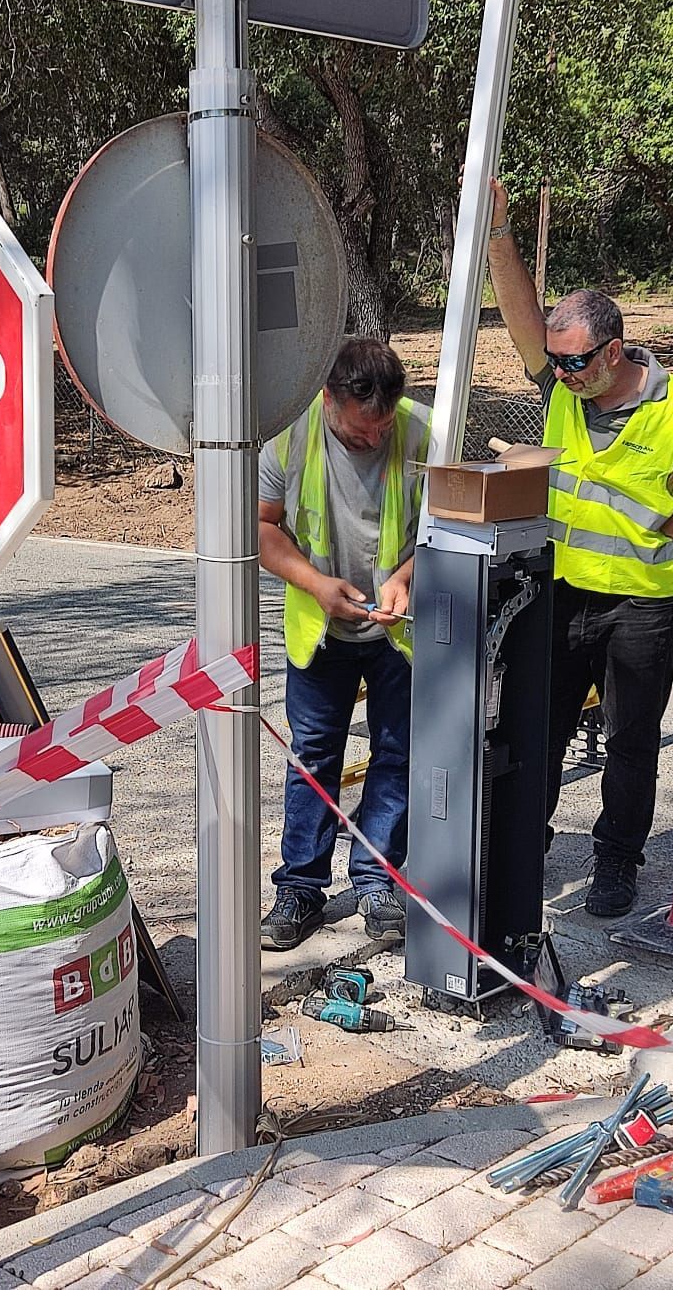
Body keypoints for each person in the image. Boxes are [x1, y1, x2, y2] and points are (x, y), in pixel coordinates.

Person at [484, 177, 673, 918]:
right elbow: (523, 318)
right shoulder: (562, 388)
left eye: (574, 363)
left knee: (628, 744)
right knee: (539, 732)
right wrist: (498, 230)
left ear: (613, 351)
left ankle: (617, 862)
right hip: (557, 596)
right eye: (553, 362)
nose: (558, 374)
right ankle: (524, 845)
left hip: (641, 606)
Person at [258, 338, 432, 951]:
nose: (373, 441)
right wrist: (315, 584)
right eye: (361, 431)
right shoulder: (287, 432)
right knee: (313, 757)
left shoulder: (422, 433)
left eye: (382, 428)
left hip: (398, 631)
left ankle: (378, 880)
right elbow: (260, 525)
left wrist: (404, 579)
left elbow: (449, 527)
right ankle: (300, 887)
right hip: (321, 627)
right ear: (329, 400)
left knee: (396, 752)